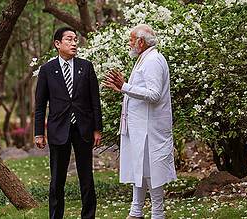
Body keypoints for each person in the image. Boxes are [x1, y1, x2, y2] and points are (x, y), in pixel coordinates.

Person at [104, 24, 177, 219]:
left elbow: (153, 95)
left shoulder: (153, 60)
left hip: (150, 128)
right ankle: (136, 212)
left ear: (141, 42)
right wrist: (123, 88)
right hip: (139, 127)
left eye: (131, 40)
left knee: (153, 171)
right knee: (140, 169)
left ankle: (157, 213)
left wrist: (125, 86)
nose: (129, 43)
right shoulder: (144, 59)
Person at [34, 27, 102, 219]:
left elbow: (94, 100)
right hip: (58, 129)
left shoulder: (86, 66)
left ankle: (88, 216)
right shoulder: (47, 70)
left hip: (84, 128)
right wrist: (39, 133)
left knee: (86, 178)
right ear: (57, 44)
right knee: (57, 179)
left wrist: (97, 129)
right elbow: (40, 105)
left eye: (75, 40)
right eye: (69, 40)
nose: (74, 44)